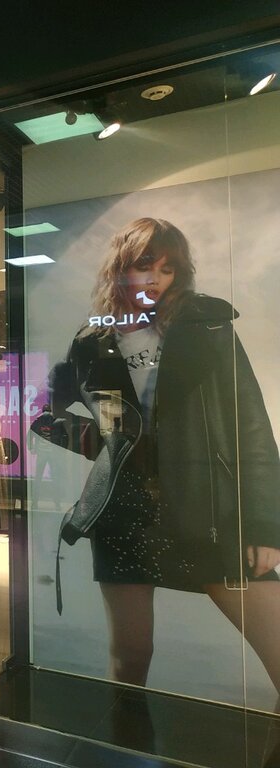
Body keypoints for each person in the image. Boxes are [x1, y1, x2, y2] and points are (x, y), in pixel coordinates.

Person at [48, 217, 280, 695]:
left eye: (168, 269)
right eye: (144, 266)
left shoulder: (206, 326)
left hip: (206, 508)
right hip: (125, 513)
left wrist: (263, 525)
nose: (155, 279)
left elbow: (252, 427)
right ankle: (128, 733)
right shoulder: (92, 341)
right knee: (130, 659)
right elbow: (44, 413)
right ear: (120, 269)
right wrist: (110, 447)